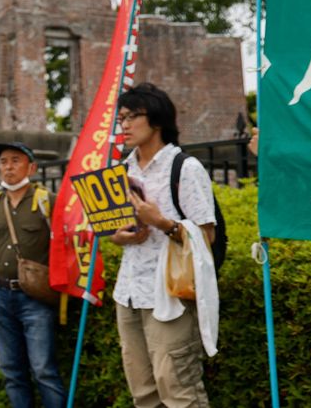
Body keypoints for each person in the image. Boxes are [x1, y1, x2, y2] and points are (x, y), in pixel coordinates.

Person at [111, 84, 217, 407]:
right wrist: (120, 236)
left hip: (169, 294)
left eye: (132, 117)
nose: (124, 125)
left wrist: (161, 223)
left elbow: (206, 238)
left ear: (156, 120)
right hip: (128, 291)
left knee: (178, 390)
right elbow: (113, 231)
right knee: (142, 393)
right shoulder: (121, 170)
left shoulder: (184, 168)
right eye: (121, 118)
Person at [0, 142, 64, 408]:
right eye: (3, 162)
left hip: (36, 297)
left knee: (43, 370)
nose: (8, 167)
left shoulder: (46, 200)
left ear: (32, 167)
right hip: (1, 296)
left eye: (15, 160)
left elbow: (66, 246)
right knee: (11, 371)